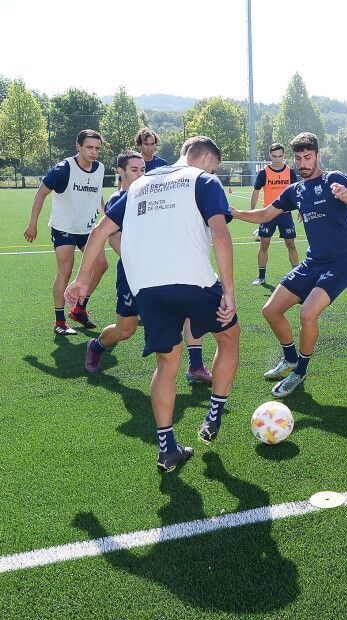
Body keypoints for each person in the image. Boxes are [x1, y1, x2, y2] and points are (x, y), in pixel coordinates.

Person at [65, 136, 240, 472]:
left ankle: (166, 449)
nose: (214, 171)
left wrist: (83, 280)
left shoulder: (140, 184)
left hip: (146, 286)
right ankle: (214, 412)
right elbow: (220, 233)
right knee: (230, 337)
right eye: (214, 166)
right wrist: (228, 291)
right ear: (204, 159)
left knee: (166, 365)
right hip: (192, 280)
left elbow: (99, 231)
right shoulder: (203, 179)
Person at [232, 132, 347, 398]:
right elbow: (266, 213)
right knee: (270, 310)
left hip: (341, 263)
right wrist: (237, 214)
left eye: (308, 157)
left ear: (318, 155)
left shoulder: (334, 179)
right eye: (298, 158)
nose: (303, 163)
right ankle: (290, 358)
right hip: (312, 262)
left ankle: (300, 371)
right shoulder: (295, 190)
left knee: (308, 314)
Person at [78, 151, 214, 384]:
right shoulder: (118, 199)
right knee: (125, 330)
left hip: (165, 270)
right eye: (134, 170)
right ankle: (97, 345)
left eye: (143, 169)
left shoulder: (153, 193)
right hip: (134, 273)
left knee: (191, 309)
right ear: (121, 172)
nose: (141, 174)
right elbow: (112, 239)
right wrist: (146, 260)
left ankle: (195, 366)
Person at [24, 129, 107, 335]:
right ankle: (60, 322)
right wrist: (32, 224)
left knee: (101, 265)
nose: (93, 152)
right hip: (64, 228)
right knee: (66, 271)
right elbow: (41, 193)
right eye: (89, 147)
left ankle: (79, 308)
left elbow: (98, 195)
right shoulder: (63, 169)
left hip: (88, 229)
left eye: (97, 148)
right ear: (78, 146)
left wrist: (108, 217)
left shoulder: (100, 168)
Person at [249, 143, 300, 285]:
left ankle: (296, 275)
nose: (277, 160)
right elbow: (256, 191)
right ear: (269, 156)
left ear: (284, 156)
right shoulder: (264, 173)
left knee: (290, 244)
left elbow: (297, 192)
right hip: (268, 213)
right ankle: (261, 277)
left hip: (285, 213)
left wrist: (301, 209)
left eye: (280, 156)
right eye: (274, 156)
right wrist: (253, 212)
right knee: (264, 244)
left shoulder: (290, 172)